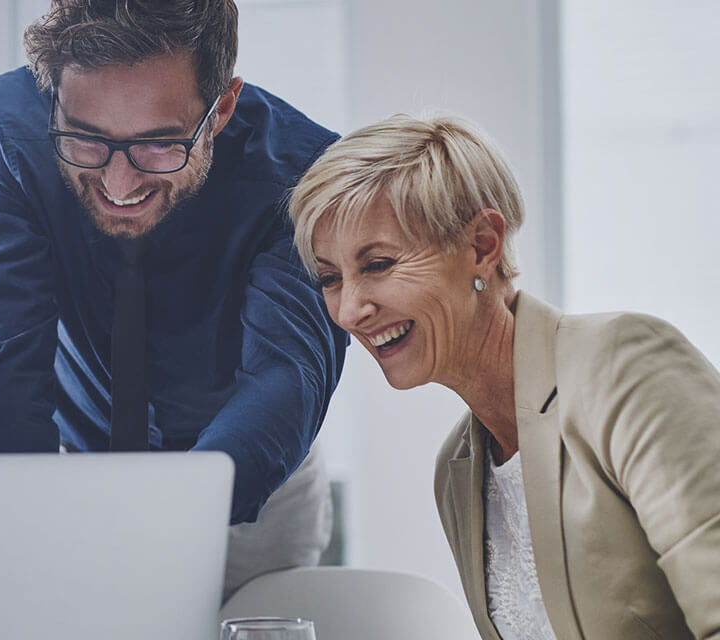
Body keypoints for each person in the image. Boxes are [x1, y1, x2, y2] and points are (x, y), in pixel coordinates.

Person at [0, 0, 347, 595]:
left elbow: (287, 373)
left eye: (160, 146)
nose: (119, 183)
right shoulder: (5, 130)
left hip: (254, 491)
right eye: (86, 140)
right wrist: (22, 535)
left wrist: (161, 527)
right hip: (66, 474)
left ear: (222, 110)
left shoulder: (307, 170)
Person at [290, 113, 720, 640]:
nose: (350, 310)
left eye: (378, 264)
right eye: (331, 278)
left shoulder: (623, 367)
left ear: (482, 245)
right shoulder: (458, 469)